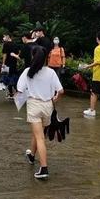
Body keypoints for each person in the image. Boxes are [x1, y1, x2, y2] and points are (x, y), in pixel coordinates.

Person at [17, 48, 64, 179]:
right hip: (47, 106)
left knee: (39, 137)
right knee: (38, 133)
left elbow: (19, 89)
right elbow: (61, 91)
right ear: (46, 58)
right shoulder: (51, 73)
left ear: (33, 57)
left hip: (34, 105)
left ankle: (44, 168)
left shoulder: (28, 71)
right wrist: (55, 99)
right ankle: (31, 155)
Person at [1, 34, 20, 98]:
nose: (3, 38)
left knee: (8, 78)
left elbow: (5, 54)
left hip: (7, 64)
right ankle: (17, 92)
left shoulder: (6, 44)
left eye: (4, 36)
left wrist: (3, 63)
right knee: (14, 78)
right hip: (14, 64)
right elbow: (17, 54)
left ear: (8, 36)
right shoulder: (15, 44)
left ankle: (11, 93)